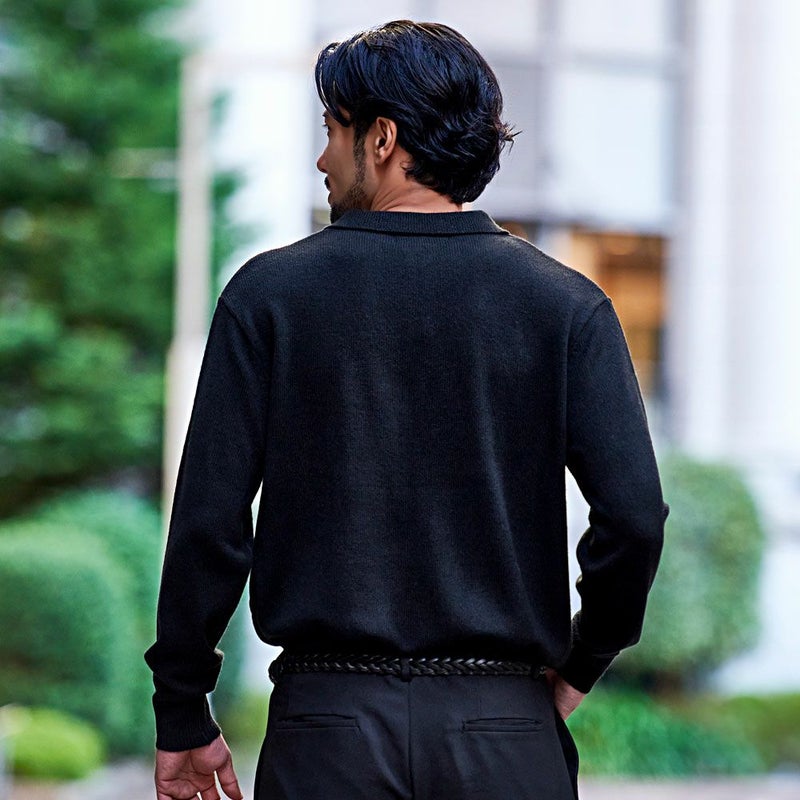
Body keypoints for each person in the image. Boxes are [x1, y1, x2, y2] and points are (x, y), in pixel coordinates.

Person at [145, 19, 667, 800]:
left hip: (328, 733)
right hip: (505, 731)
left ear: (382, 139)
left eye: (332, 130)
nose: (321, 159)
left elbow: (209, 523)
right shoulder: (565, 306)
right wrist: (583, 658)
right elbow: (633, 518)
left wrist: (182, 708)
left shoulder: (270, 297)